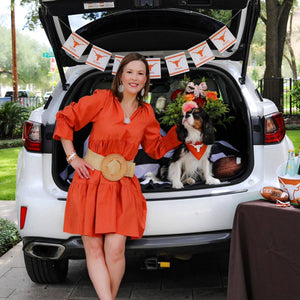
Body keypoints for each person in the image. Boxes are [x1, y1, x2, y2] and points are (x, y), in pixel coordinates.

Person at [53, 52, 181, 300]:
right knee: (93, 248)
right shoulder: (102, 100)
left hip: (123, 186)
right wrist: (72, 158)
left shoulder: (146, 114)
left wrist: (181, 130)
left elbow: (155, 149)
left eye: (140, 73)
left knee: (115, 249)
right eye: (130, 71)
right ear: (120, 75)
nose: (135, 77)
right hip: (90, 180)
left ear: (146, 80)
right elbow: (65, 119)